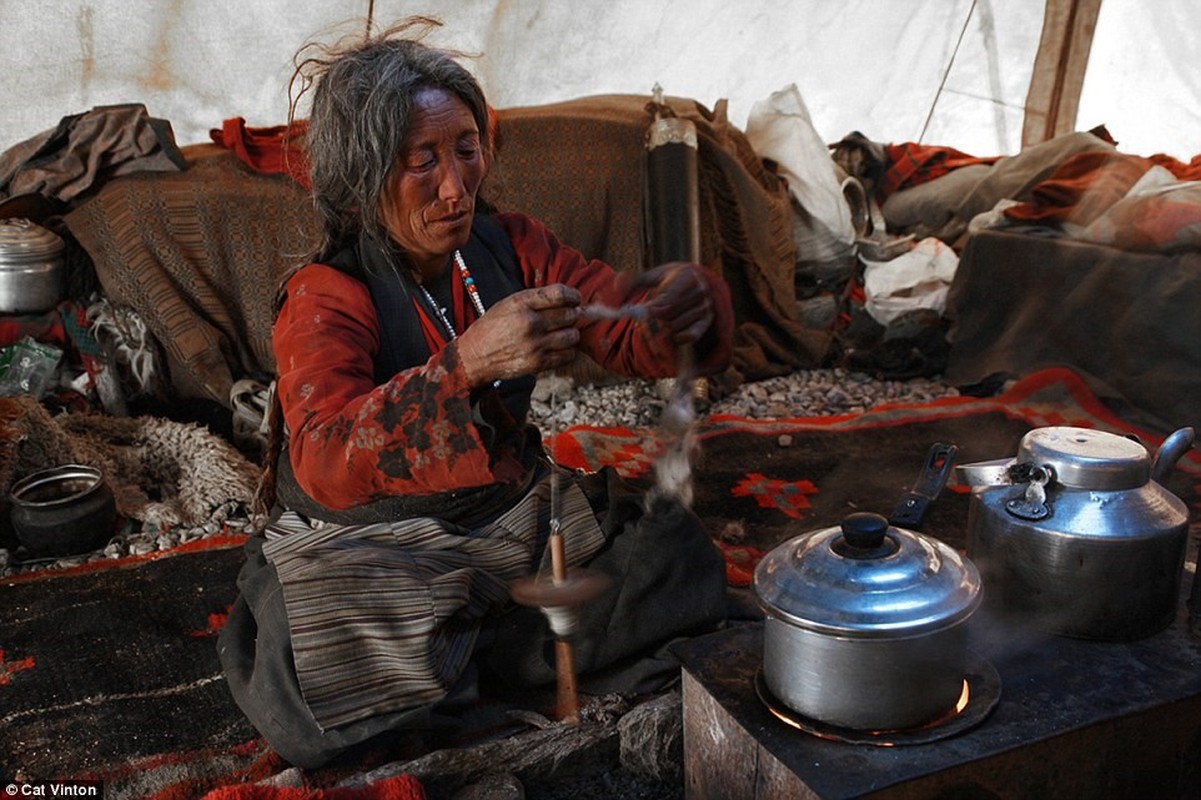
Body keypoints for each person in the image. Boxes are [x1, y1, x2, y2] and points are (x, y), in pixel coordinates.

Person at [217, 18, 735, 769]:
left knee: (677, 560)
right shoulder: (326, 294)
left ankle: (464, 654)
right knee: (313, 691)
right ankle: (491, 646)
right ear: (364, 179)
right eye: (420, 161)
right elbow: (326, 458)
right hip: (379, 540)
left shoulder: (509, 246)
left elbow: (618, 325)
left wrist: (672, 308)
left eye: (465, 149)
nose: (455, 186)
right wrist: (464, 365)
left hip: (506, 513)